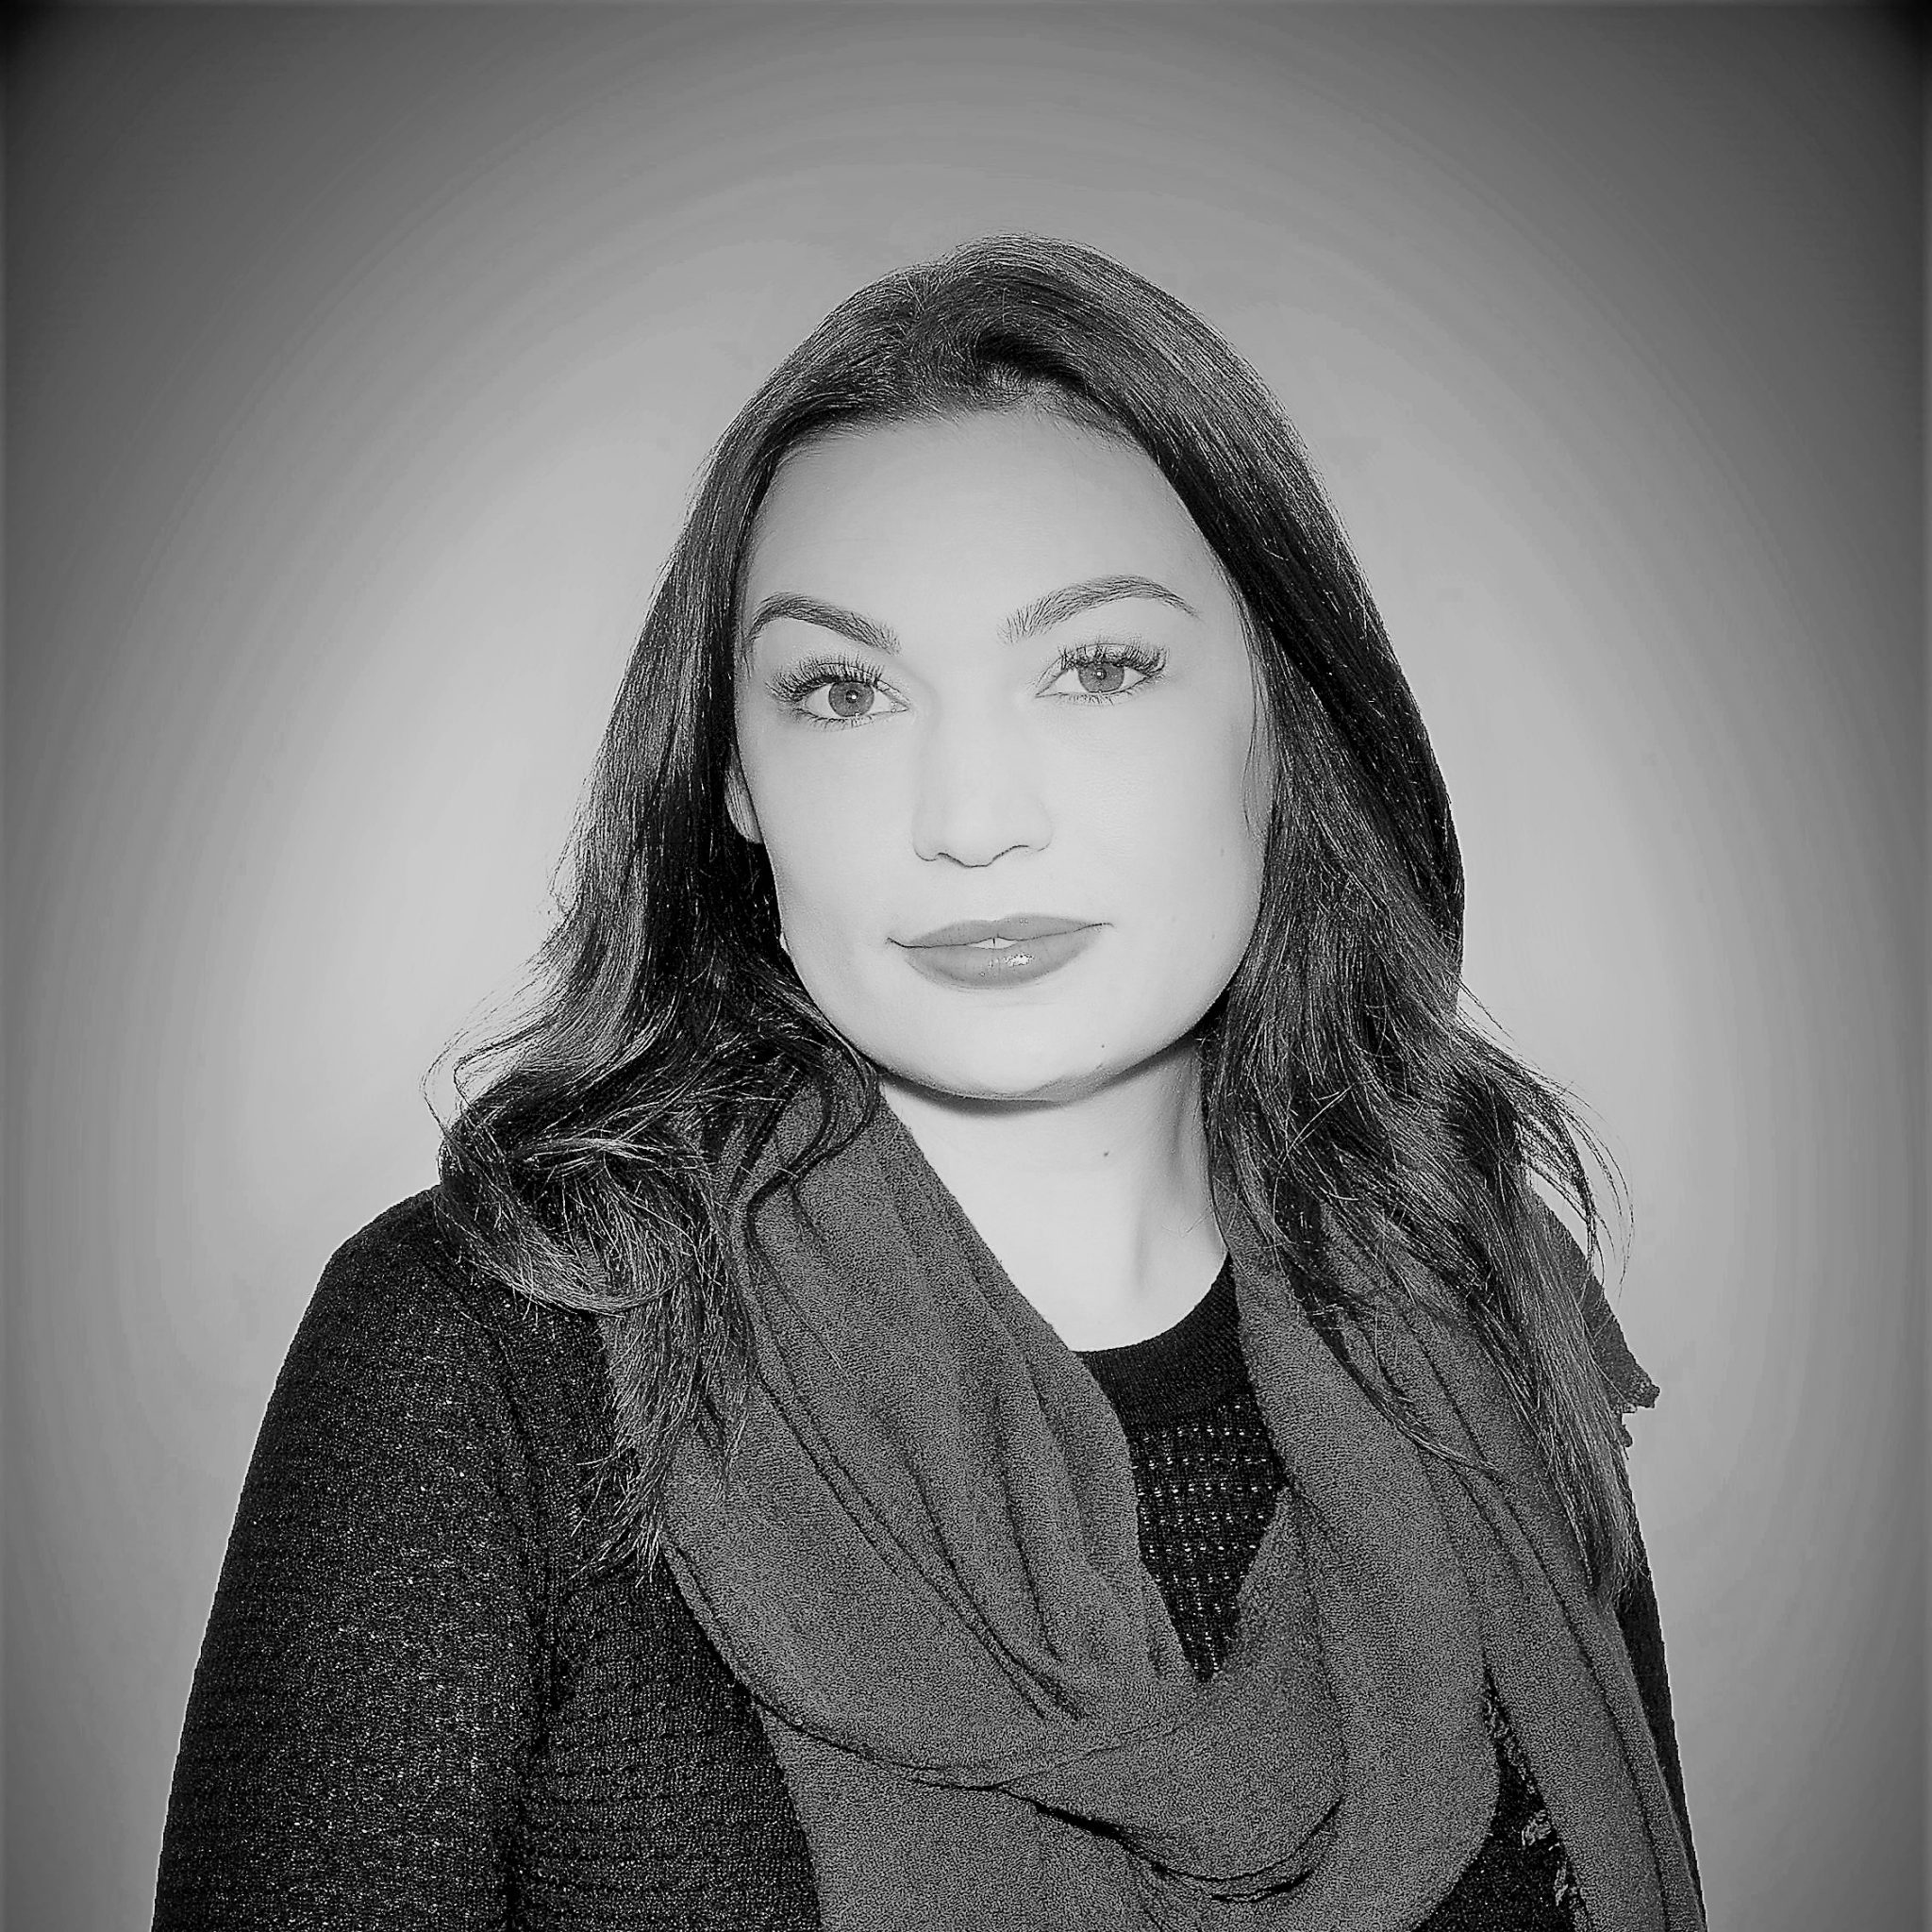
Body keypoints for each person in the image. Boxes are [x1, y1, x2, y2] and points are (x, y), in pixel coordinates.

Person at [154, 234, 1704, 1932]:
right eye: (844, 689)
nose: (968, 813)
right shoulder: (474, 1356)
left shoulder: (1487, 1324)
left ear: (1283, 716)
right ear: (735, 782)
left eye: (1097, 664)